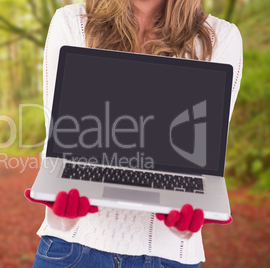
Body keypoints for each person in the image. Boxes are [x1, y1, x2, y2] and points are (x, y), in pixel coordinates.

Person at [25, 0, 243, 267]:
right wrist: (62, 214)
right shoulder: (72, 21)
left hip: (169, 259)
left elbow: (205, 158)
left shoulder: (220, 37)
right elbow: (59, 140)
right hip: (71, 251)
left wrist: (186, 226)